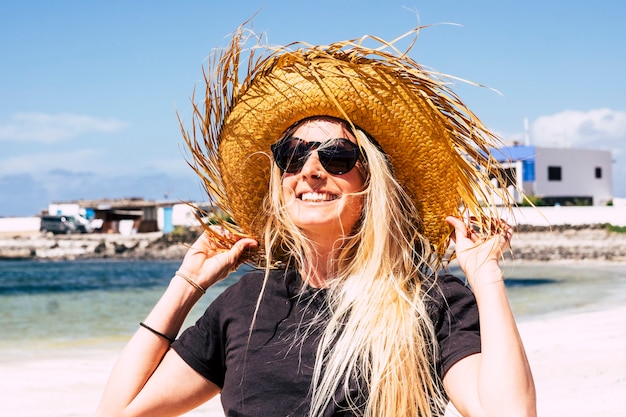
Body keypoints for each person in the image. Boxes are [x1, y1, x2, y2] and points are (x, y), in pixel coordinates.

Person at [97, 24, 536, 417]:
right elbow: (119, 413)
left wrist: (486, 277)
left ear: (372, 181)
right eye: (292, 156)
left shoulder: (431, 301)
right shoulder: (244, 305)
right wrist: (187, 285)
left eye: (337, 157)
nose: (310, 170)